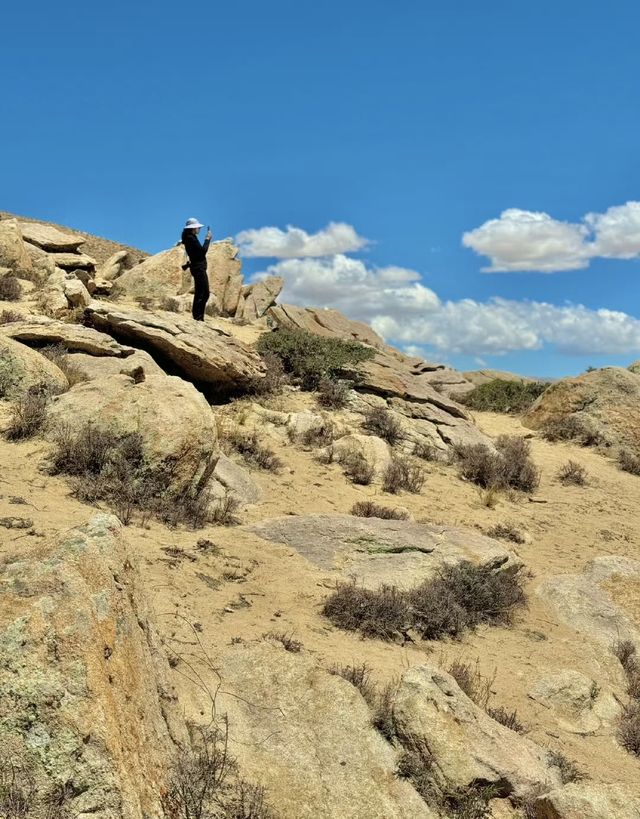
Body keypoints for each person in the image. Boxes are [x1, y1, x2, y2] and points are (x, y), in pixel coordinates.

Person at [181, 217, 212, 321]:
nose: (199, 229)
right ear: (192, 228)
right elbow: (202, 251)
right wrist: (207, 239)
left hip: (198, 268)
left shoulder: (190, 237)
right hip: (198, 268)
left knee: (203, 293)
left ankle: (199, 317)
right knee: (202, 293)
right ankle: (198, 318)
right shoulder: (191, 238)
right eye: (197, 227)